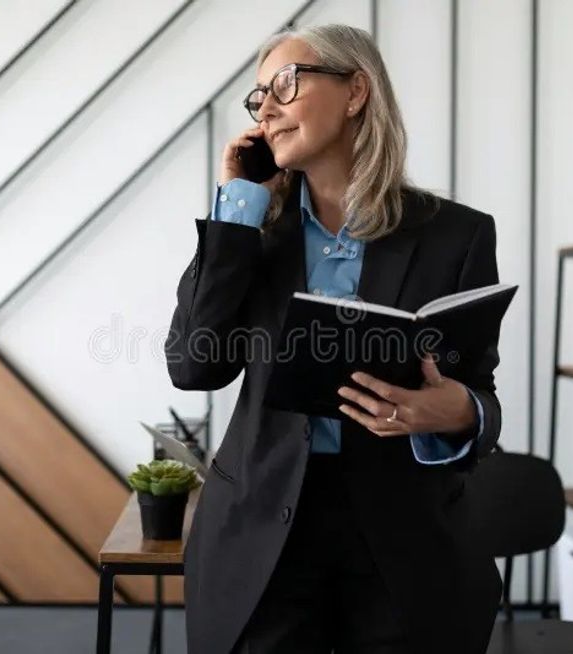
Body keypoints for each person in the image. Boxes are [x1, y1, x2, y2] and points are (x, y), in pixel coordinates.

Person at [166, 23, 503, 654]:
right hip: (264, 535)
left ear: (356, 93)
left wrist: (453, 410)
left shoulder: (456, 235)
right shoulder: (248, 234)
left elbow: (478, 394)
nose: (265, 107)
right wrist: (236, 205)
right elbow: (193, 365)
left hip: (403, 544)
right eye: (257, 97)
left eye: (285, 85)